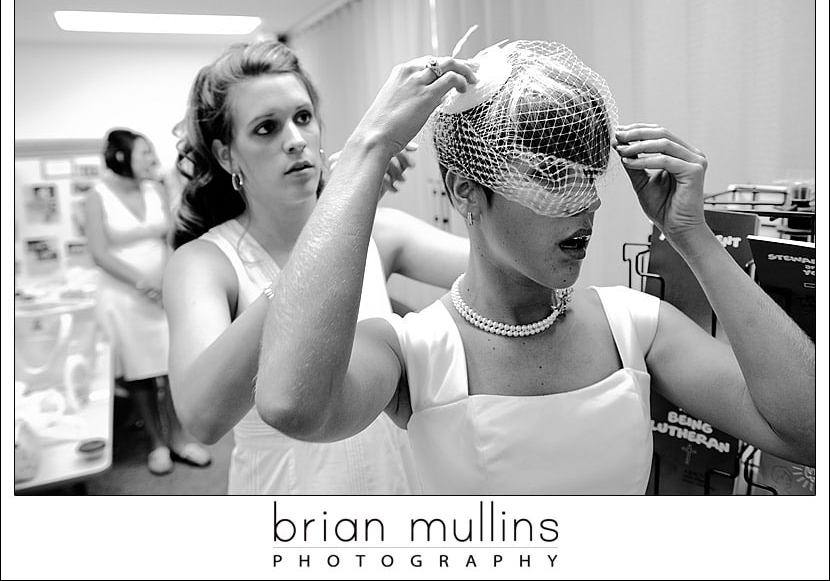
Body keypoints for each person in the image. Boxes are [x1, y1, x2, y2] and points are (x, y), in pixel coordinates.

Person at [254, 40, 816, 494]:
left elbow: (809, 431)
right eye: (551, 177)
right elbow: (291, 406)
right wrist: (367, 151)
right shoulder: (411, 353)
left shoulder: (636, 327)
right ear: (467, 193)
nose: (586, 204)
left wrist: (691, 235)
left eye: (588, 176)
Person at [163, 39, 468, 494]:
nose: (295, 141)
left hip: (395, 484)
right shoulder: (205, 263)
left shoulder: (381, 232)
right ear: (228, 155)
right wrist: (331, 228)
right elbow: (201, 418)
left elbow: (503, 271)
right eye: (266, 128)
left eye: (302, 118)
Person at [85, 128, 212, 475]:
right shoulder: (97, 195)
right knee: (140, 374)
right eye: (144, 153)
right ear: (121, 157)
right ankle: (156, 443)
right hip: (124, 297)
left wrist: (168, 279)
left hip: (162, 293)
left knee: (172, 368)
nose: (152, 159)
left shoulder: (155, 189)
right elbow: (98, 252)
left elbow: (171, 237)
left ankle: (181, 438)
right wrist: (144, 285)